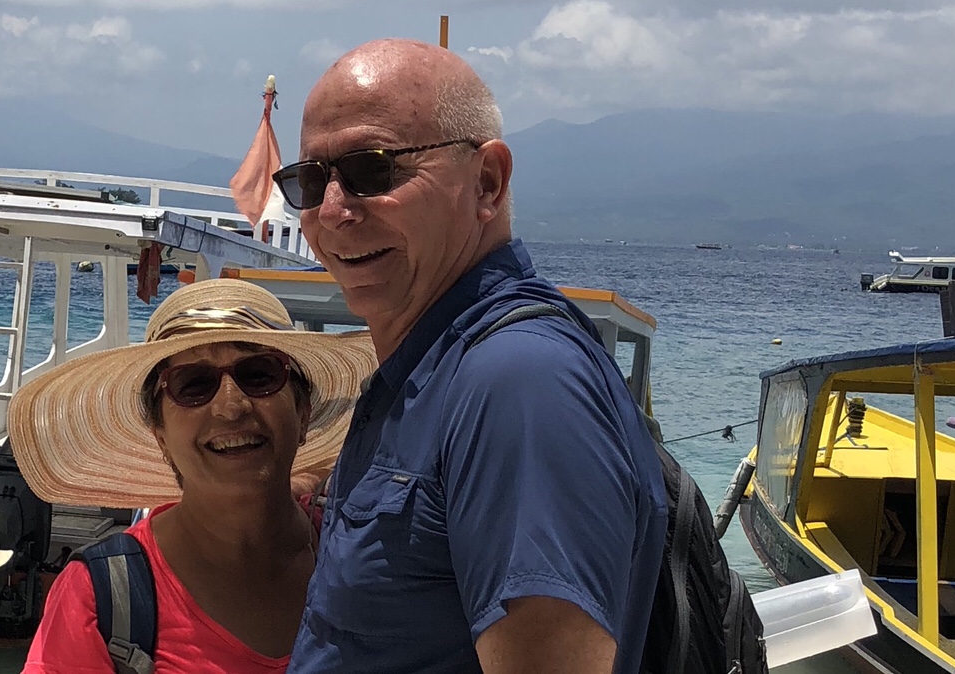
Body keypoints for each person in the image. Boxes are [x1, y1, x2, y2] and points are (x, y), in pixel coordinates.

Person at [282, 39, 669, 674]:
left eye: (372, 170)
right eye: (310, 180)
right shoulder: (430, 372)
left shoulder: (518, 381)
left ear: (487, 182)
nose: (331, 212)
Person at [12, 279, 376, 673]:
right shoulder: (100, 599)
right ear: (161, 436)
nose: (231, 406)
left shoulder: (366, 553)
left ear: (303, 413)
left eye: (259, 374)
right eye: (194, 385)